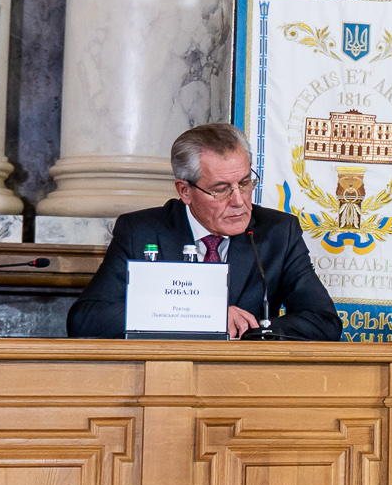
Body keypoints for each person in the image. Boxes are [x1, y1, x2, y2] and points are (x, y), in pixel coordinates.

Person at [69, 124, 343, 339]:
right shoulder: (141, 232)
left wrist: (252, 329)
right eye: (221, 189)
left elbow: (324, 322)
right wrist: (205, 316)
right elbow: (86, 319)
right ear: (185, 191)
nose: (238, 200)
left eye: (244, 183)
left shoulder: (278, 233)